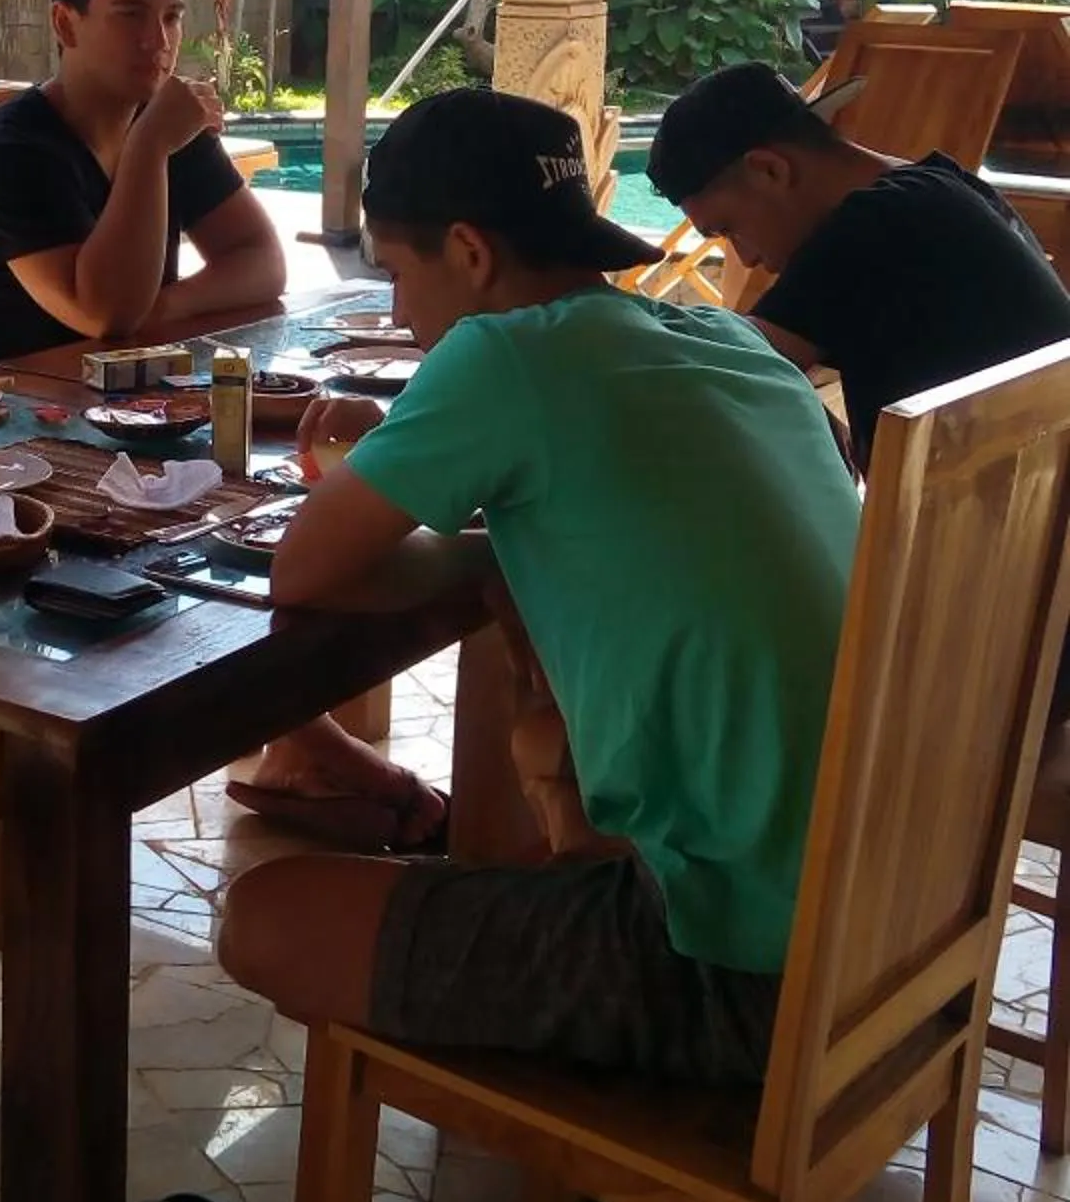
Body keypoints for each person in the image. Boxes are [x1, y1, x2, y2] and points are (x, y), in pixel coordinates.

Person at [217, 89, 859, 1084]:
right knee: (511, 840)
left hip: (745, 978)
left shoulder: (503, 353)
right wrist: (502, 551)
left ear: (469, 253)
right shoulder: (730, 343)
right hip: (882, 934)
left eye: (395, 273)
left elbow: (304, 566)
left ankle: (601, 1113)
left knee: (262, 916)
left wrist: (443, 525)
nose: (395, 312)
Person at [647, 60, 1070, 475]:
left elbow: (710, 370)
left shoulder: (869, 225)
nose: (748, 258)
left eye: (728, 229)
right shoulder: (941, 186)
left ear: (770, 170)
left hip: (976, 531)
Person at [0, 0, 285, 368]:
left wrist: (166, 306)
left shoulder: (165, 124)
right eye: (131, 15)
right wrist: (149, 146)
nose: (158, 40)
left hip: (120, 404)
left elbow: (262, 261)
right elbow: (107, 313)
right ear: (66, 24)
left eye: (171, 17)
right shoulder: (10, 155)